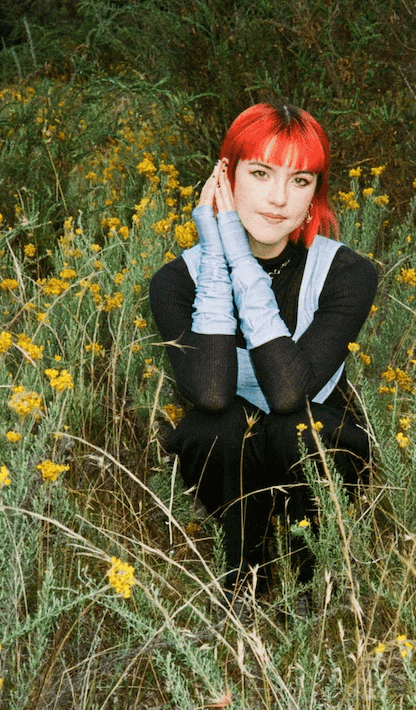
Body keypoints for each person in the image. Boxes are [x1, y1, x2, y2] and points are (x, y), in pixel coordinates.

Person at [148, 101, 378, 603]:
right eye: (260, 173)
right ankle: (242, 577)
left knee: (297, 425)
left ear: (316, 192)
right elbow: (209, 393)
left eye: (301, 180)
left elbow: (288, 393)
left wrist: (237, 256)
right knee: (220, 423)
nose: (279, 199)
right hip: (226, 460)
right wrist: (219, 255)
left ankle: (307, 583)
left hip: (311, 453)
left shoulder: (347, 273)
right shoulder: (174, 282)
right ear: (225, 177)